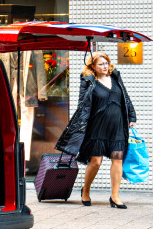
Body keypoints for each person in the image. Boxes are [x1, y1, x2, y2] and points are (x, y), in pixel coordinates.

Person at [54, 52, 136, 208]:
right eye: (101, 64)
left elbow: (125, 97)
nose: (105, 66)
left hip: (117, 126)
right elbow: (82, 104)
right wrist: (80, 126)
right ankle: (86, 190)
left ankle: (115, 196)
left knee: (117, 159)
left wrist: (131, 117)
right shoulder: (88, 81)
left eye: (106, 63)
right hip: (97, 127)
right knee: (96, 161)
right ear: (92, 66)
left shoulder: (116, 77)